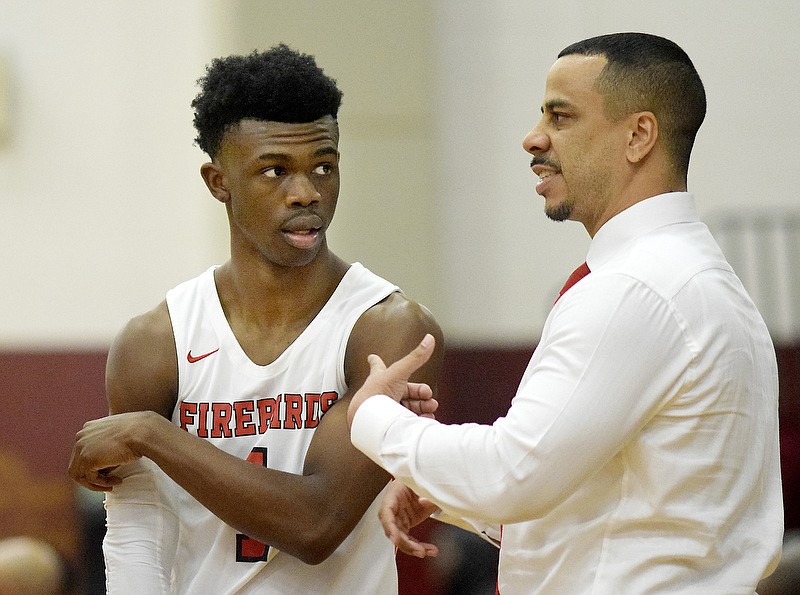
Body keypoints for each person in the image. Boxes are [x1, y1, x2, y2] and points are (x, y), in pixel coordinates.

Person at [346, 32, 783, 593]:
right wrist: (451, 491)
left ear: (638, 135)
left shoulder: (635, 287)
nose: (534, 138)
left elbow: (513, 472)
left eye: (561, 116)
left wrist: (375, 417)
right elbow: (631, 517)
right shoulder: (693, 277)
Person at [68, 44, 443, 594]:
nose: (307, 193)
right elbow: (139, 536)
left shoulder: (385, 327)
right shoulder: (155, 342)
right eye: (274, 171)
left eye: (324, 167)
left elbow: (317, 525)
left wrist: (151, 433)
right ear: (218, 182)